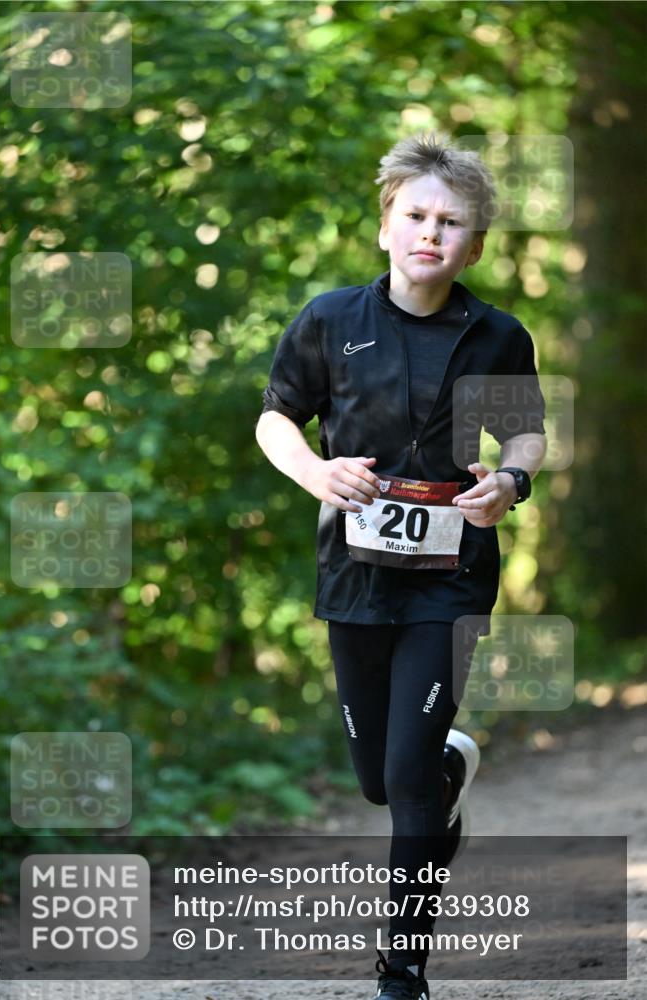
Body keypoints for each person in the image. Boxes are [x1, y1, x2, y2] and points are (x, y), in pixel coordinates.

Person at [255, 131, 547, 1000]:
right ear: (385, 225)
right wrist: (317, 470)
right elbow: (276, 420)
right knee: (380, 782)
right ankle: (447, 767)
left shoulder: (498, 334)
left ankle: (401, 968)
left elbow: (524, 430)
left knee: (407, 781)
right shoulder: (329, 320)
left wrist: (509, 480)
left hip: (451, 575)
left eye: (451, 222)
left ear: (474, 244)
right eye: (415, 216)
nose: (431, 233)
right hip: (354, 572)